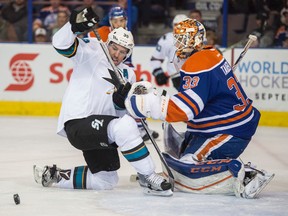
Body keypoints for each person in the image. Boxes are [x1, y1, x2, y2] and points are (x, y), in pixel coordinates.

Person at [125, 18, 274, 199]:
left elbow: (186, 110)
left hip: (228, 129)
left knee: (188, 167)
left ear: (195, 39)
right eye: (178, 39)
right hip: (218, 125)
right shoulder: (208, 54)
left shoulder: (199, 62)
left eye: (183, 39)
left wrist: (148, 104)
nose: (178, 44)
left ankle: (247, 175)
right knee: (181, 155)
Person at [33, 7, 172, 197]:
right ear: (108, 43)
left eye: (123, 52)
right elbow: (60, 45)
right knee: (124, 126)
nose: (117, 54)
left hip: (100, 130)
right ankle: (148, 176)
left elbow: (122, 116)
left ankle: (56, 175)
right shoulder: (91, 50)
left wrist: (122, 104)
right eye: (114, 47)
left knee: (106, 180)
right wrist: (73, 27)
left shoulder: (128, 74)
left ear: (128, 54)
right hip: (78, 122)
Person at [89, 6, 159, 142]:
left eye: (121, 21)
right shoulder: (100, 33)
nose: (118, 24)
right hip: (102, 72)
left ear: (126, 21)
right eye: (115, 21)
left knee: (135, 95)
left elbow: (127, 62)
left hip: (120, 71)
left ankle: (140, 128)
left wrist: (132, 79)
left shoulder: (128, 35)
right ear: (110, 21)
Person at [150, 14, 188, 91]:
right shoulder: (167, 39)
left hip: (197, 74)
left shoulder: (197, 37)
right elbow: (156, 59)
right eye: (176, 25)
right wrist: (159, 73)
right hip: (177, 77)